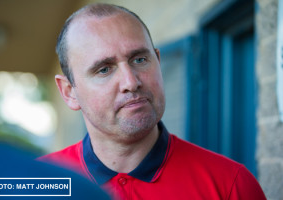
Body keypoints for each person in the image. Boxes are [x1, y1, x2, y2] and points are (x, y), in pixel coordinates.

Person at [38, 3, 266, 199]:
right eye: (104, 69)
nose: (131, 81)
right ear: (69, 92)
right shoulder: (34, 186)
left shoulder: (231, 185)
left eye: (139, 59)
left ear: (157, 61)